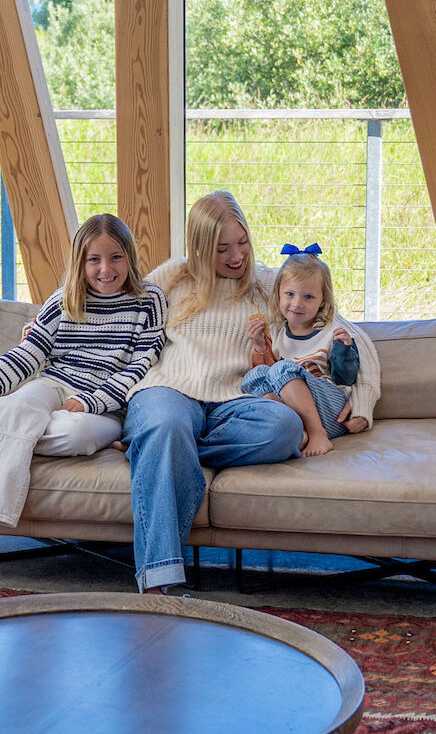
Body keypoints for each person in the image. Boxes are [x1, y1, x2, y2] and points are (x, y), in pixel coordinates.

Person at [0, 213, 167, 565]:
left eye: (116, 257)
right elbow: (23, 358)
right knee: (12, 407)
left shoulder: (149, 301)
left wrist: (90, 403)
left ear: (130, 256)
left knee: (75, 435)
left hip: (106, 405)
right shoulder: (63, 301)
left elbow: (141, 367)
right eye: (93, 259)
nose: (105, 269)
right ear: (79, 262)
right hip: (54, 383)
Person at [123, 191, 324, 594]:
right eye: (222, 248)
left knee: (284, 426)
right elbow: (106, 302)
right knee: (166, 423)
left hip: (236, 402)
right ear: (199, 249)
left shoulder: (268, 283)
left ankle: (157, 447)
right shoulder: (174, 278)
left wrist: (364, 396)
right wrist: (49, 328)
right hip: (168, 391)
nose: (237, 256)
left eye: (243, 242)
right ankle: (161, 581)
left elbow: (343, 328)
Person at [243, 244, 381, 457]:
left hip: (331, 411)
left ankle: (318, 434)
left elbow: (345, 377)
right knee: (254, 376)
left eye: (308, 297)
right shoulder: (278, 332)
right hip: (296, 412)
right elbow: (269, 377)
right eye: (289, 294)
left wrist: (345, 350)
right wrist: (260, 346)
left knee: (282, 369)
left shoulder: (332, 331)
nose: (297, 303)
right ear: (277, 294)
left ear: (323, 300)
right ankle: (298, 432)